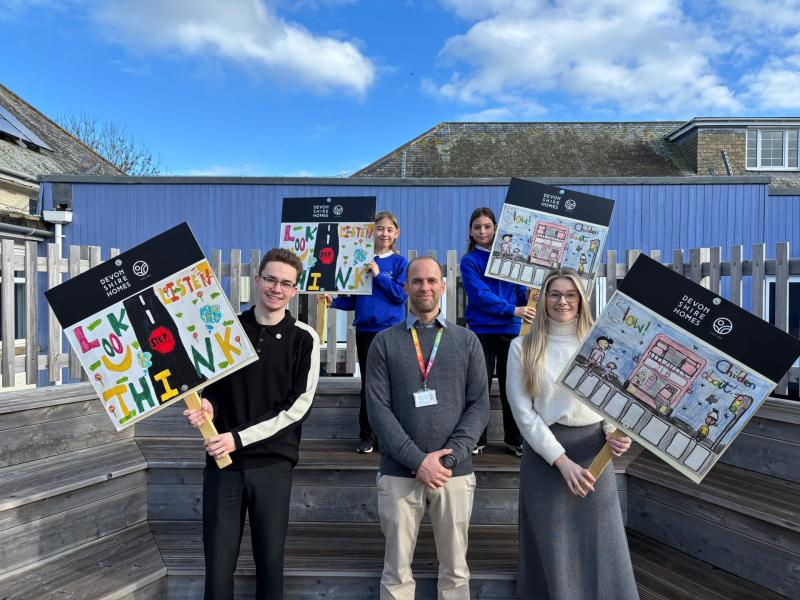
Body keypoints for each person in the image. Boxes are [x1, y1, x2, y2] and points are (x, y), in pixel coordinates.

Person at [184, 248, 320, 600]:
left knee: (270, 564)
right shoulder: (227, 329)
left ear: (295, 289)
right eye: (271, 279)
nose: (277, 288)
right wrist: (208, 408)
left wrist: (236, 439)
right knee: (217, 566)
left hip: (272, 466)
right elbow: (211, 388)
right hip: (223, 466)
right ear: (257, 280)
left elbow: (296, 408)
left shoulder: (304, 338)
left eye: (286, 283)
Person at [506, 268, 638, 600]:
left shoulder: (602, 345)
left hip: (594, 453)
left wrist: (615, 433)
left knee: (601, 544)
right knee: (553, 547)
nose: (562, 301)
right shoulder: (522, 348)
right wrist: (561, 462)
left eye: (570, 294)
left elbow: (614, 404)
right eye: (554, 294)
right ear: (543, 298)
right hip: (546, 458)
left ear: (581, 299)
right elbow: (525, 417)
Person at [366, 256, 490, 600]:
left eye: (432, 281)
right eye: (417, 281)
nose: (425, 287)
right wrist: (417, 461)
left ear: (443, 286)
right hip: (398, 474)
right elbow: (378, 410)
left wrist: (447, 461)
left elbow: (480, 406)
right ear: (405, 287)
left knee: (455, 571)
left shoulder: (467, 342)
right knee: (396, 571)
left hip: (455, 473)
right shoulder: (384, 342)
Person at [317, 211, 407, 453]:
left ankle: (393, 437)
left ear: (396, 233)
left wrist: (377, 275)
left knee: (394, 383)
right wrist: (333, 301)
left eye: (389, 229)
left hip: (393, 331)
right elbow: (353, 300)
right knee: (369, 384)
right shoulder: (359, 260)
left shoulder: (400, 263)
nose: (384, 233)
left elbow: (400, 295)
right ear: (372, 231)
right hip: (366, 331)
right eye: (379, 228)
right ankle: (368, 436)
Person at [460, 207, 535, 456]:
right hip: (481, 330)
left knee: (512, 387)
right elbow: (479, 296)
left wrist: (531, 298)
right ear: (470, 232)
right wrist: (513, 309)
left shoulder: (511, 259)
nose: (482, 231)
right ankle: (477, 439)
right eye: (477, 227)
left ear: (496, 228)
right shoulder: (470, 261)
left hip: (511, 331)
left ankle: (515, 440)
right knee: (478, 386)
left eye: (487, 226)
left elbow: (521, 292)